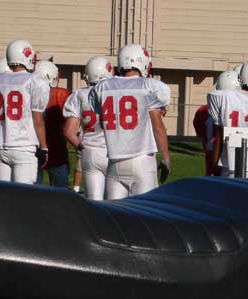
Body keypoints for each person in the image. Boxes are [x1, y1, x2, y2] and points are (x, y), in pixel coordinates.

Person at [89, 43, 171, 199]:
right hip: (142, 161)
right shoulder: (149, 86)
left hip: (114, 162)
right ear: (142, 62)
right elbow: (158, 128)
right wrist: (166, 157)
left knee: (115, 218)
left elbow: (102, 121)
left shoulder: (102, 87)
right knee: (144, 216)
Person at [0, 39, 50, 184]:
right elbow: (38, 120)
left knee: (3, 196)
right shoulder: (34, 81)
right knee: (23, 197)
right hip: (24, 147)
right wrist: (44, 147)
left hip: (1, 146)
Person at [63, 56, 114, 200]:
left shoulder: (79, 95)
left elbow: (68, 132)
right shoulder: (117, 93)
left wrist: (82, 147)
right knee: (116, 203)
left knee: (94, 203)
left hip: (90, 152)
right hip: (114, 152)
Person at [193, 70, 240, 175]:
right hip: (230, 164)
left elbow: (201, 134)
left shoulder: (202, 111)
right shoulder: (240, 110)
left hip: (211, 163)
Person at [34, 60, 71, 188]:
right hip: (56, 151)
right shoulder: (62, 94)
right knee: (62, 194)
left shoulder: (27, 91)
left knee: (29, 192)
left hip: (34, 149)